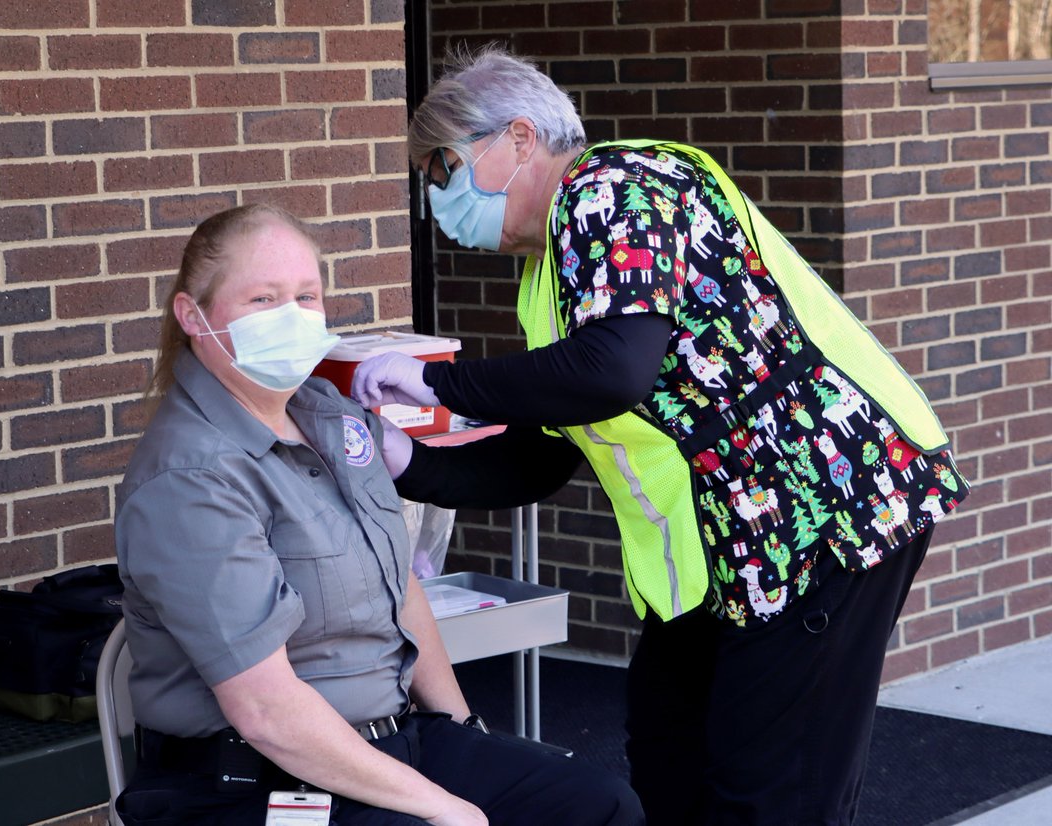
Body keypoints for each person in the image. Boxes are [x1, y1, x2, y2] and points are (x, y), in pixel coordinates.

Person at [351, 46, 970, 826]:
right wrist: (403, 461)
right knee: (669, 754)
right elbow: (541, 457)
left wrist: (439, 384)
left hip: (821, 513)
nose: (437, 197)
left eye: (442, 168)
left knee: (771, 789)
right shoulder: (549, 275)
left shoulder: (618, 187)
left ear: (516, 139)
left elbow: (614, 371)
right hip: (721, 554)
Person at [113, 203, 644, 826]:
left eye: (305, 296)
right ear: (192, 316)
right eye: (262, 299)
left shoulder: (331, 418)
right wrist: (446, 807)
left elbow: (402, 586)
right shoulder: (190, 477)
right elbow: (266, 712)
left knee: (598, 805)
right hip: (248, 784)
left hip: (391, 743)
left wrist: (463, 730)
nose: (291, 316)